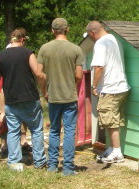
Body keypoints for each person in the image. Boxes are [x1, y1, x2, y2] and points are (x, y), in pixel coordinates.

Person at [0, 27, 47, 171]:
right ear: (23, 39)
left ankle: (14, 162)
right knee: (36, 130)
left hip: (11, 100)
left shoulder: (0, 57)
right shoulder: (28, 53)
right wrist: (44, 87)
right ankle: (39, 162)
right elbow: (38, 74)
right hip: (30, 98)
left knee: (13, 131)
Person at [37, 18, 84, 176]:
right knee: (70, 131)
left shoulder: (44, 49)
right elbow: (79, 75)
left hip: (53, 96)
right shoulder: (76, 49)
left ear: (52, 31)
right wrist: (71, 83)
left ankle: (52, 166)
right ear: (67, 29)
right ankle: (68, 168)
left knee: (54, 130)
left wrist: (44, 91)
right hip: (69, 96)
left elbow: (39, 74)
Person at [86, 21, 130, 163]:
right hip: (121, 87)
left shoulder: (101, 43)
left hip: (110, 88)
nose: (91, 39)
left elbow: (99, 67)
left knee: (110, 121)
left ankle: (117, 152)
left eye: (90, 36)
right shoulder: (114, 39)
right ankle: (111, 149)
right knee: (113, 119)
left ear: (93, 33)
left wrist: (94, 86)